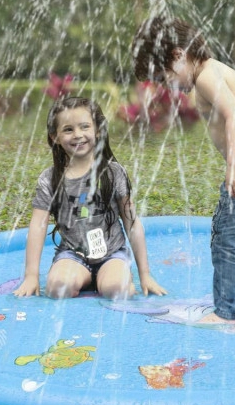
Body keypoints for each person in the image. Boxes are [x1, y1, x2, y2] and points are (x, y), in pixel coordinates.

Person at [132, 16, 235, 325]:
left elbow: (234, 113)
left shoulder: (207, 73)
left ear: (179, 55)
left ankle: (229, 313)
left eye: (166, 76)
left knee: (225, 235)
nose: (170, 86)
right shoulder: (212, 74)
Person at [14, 96, 167, 300]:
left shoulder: (113, 173)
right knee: (58, 289)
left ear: (97, 130)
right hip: (73, 255)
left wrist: (145, 275)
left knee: (118, 290)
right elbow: (37, 227)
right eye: (68, 129)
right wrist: (31, 276)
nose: (78, 135)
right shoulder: (49, 180)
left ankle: (115, 275)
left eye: (84, 127)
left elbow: (131, 222)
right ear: (55, 137)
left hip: (112, 254)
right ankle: (85, 277)